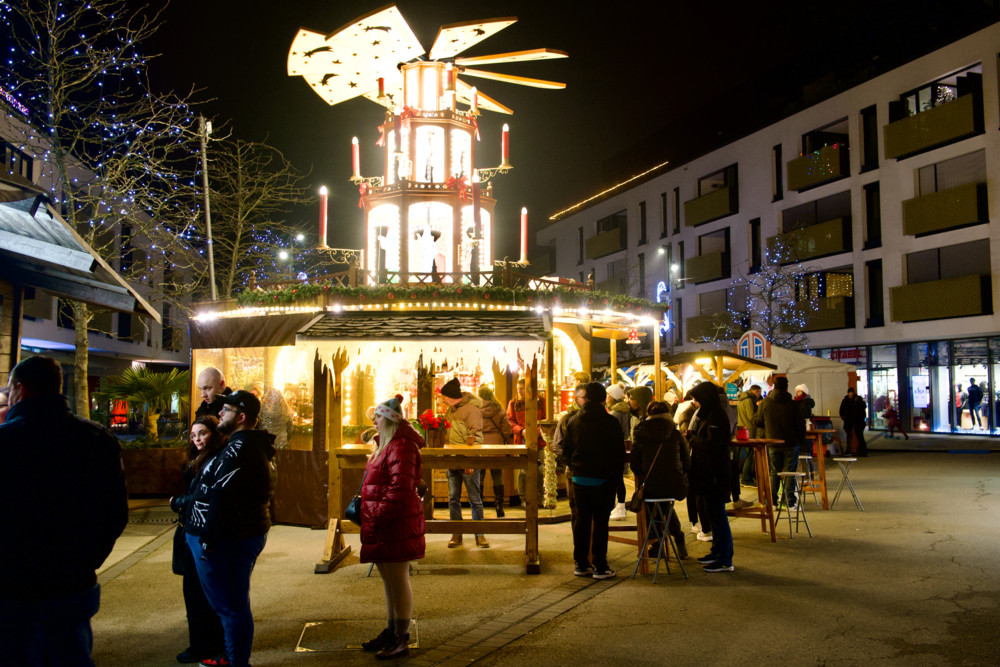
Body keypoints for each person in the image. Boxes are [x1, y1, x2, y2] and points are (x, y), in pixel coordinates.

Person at [0, 356, 128, 665]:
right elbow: (114, 514)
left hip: (13, 586)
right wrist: (86, 559)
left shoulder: (6, 442)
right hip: (73, 582)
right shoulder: (97, 440)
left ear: (20, 389)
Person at [182, 390, 276, 667]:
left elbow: (225, 498)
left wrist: (208, 540)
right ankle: (232, 656)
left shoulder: (242, 450)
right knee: (230, 605)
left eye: (228, 409)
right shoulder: (240, 446)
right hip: (221, 538)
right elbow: (214, 490)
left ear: (242, 417)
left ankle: (236, 661)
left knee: (231, 607)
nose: (220, 412)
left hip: (224, 541)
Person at [359, 396, 425, 660]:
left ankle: (401, 636)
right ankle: (392, 630)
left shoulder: (400, 446)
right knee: (388, 579)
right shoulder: (386, 445)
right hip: (384, 522)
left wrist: (375, 514)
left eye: (376, 417)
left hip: (394, 522)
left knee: (398, 580)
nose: (373, 422)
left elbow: (399, 488)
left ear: (387, 419)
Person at [171, 417, 227, 664]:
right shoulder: (197, 460)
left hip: (201, 531)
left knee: (201, 592)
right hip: (192, 529)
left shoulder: (214, 460)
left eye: (202, 434)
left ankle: (206, 645)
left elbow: (200, 499)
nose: (197, 439)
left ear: (213, 433)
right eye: (193, 436)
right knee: (194, 591)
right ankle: (203, 643)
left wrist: (177, 503)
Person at [563, 382, 626, 580]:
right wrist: (615, 478)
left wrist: (575, 467)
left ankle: (581, 564)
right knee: (600, 522)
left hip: (579, 478)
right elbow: (618, 454)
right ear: (602, 399)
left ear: (586, 398)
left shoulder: (573, 421)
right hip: (603, 479)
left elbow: (566, 452)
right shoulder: (610, 422)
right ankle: (600, 565)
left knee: (581, 521)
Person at [630, 401, 690, 559]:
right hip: (674, 483)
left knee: (654, 508)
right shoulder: (675, 433)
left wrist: (642, 473)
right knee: (665, 507)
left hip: (650, 484)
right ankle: (677, 538)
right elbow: (686, 460)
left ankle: (657, 545)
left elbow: (635, 463)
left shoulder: (640, 432)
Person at [687, 381, 735, 573]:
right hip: (708, 473)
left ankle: (724, 559)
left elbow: (710, 445)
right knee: (713, 514)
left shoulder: (716, 416)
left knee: (718, 515)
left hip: (715, 473)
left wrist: (692, 438)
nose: (695, 403)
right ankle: (717, 552)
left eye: (696, 399)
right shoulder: (710, 414)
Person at [441, 378, 489, 549]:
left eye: (444, 396)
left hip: (467, 460)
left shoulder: (471, 411)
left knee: (474, 498)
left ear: (450, 396)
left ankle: (480, 534)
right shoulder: (450, 411)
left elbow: (476, 437)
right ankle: (457, 534)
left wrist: (470, 460)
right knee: (453, 498)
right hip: (452, 459)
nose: (442, 400)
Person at [753, 376, 806, 509]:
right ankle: (789, 502)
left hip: (772, 442)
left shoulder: (765, 403)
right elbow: (800, 425)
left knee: (774, 472)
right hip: (791, 443)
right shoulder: (793, 404)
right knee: (789, 472)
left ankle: (772, 502)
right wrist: (801, 440)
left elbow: (758, 422)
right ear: (787, 388)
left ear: (774, 387)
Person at [506, 377, 547, 507]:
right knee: (523, 471)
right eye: (518, 389)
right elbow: (510, 422)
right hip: (521, 442)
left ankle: (540, 497)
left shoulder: (542, 401)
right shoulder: (513, 403)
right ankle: (523, 498)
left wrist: (538, 431)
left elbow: (546, 419)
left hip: (539, 442)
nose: (520, 392)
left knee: (541, 470)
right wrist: (522, 430)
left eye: (522, 389)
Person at [551, 384, 588, 523]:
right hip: (575, 470)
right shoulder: (567, 419)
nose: (587, 400)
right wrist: (569, 462)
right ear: (577, 398)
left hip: (590, 471)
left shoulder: (599, 417)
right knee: (576, 509)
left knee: (588, 512)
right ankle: (579, 543)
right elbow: (557, 444)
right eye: (584, 397)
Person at [477, 386, 514, 517]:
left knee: (479, 476)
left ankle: (478, 506)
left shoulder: (476, 410)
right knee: (497, 475)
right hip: (497, 446)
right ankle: (499, 506)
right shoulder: (499, 410)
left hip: (480, 445)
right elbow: (507, 430)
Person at [606, 384, 632, 520]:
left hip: (615, 448)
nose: (606, 397)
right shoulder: (623, 411)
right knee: (618, 478)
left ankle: (620, 506)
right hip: (621, 447)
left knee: (616, 479)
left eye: (608, 394)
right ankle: (619, 506)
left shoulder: (615, 413)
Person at [736, 384, 762, 487]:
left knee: (747, 454)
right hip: (749, 430)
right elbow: (752, 416)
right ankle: (746, 479)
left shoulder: (741, 400)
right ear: (755, 391)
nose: (759, 395)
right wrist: (759, 408)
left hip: (741, 429)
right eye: (759, 392)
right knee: (750, 456)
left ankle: (746, 477)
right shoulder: (749, 401)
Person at [839, 387, 868, 457]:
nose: (851, 395)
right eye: (850, 393)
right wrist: (844, 418)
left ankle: (861, 451)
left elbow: (860, 412)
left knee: (859, 437)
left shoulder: (857, 401)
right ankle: (856, 451)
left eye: (851, 393)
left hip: (857, 422)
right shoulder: (847, 400)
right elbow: (841, 411)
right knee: (854, 437)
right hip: (850, 422)